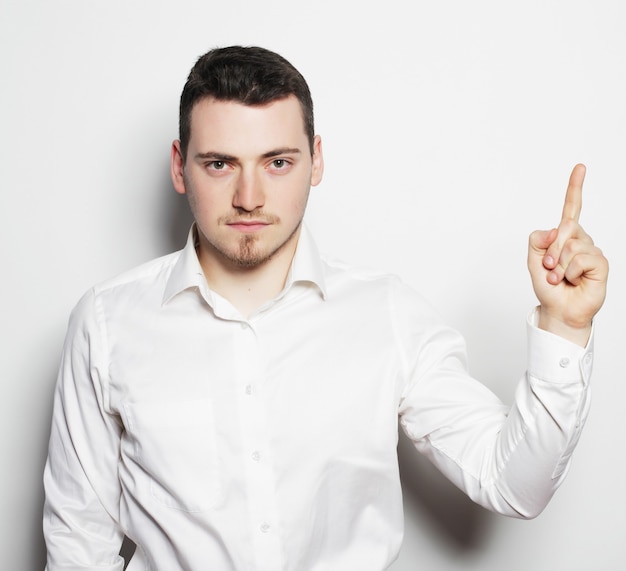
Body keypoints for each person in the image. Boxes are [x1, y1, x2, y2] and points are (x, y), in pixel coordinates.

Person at [43, 46, 608, 570]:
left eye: (277, 162)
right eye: (219, 163)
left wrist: (566, 324)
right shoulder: (107, 323)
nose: (249, 196)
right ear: (179, 165)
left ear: (315, 160)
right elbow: (78, 541)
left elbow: (513, 485)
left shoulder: (387, 314)